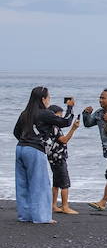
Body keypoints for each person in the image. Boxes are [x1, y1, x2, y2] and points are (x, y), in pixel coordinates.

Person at [12, 85, 68, 223]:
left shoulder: (25, 113)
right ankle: (41, 217)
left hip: (20, 148)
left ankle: (25, 215)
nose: (49, 100)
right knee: (40, 184)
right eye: (49, 97)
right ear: (43, 99)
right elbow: (65, 122)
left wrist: (26, 140)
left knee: (22, 184)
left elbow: (16, 132)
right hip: (34, 150)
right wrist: (70, 107)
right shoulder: (45, 113)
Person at [47, 96, 80, 215]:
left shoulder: (49, 127)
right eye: (60, 115)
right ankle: (65, 206)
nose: (61, 118)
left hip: (52, 157)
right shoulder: (54, 127)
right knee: (65, 183)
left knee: (56, 183)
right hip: (59, 157)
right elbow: (64, 140)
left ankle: (54, 205)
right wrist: (73, 129)